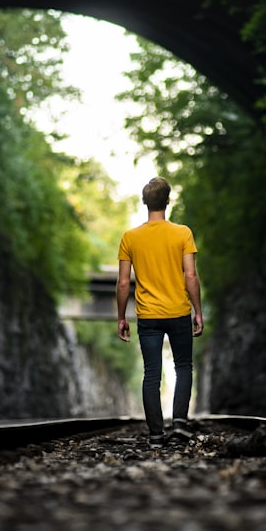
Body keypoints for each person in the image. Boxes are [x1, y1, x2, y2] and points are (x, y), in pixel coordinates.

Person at [117, 176, 204, 448]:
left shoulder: (130, 237)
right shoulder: (182, 233)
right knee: (184, 367)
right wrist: (197, 311)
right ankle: (179, 423)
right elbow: (190, 275)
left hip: (148, 316)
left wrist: (121, 317)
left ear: (145, 203)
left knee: (151, 374)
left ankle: (156, 435)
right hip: (178, 311)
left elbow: (122, 282)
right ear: (168, 201)